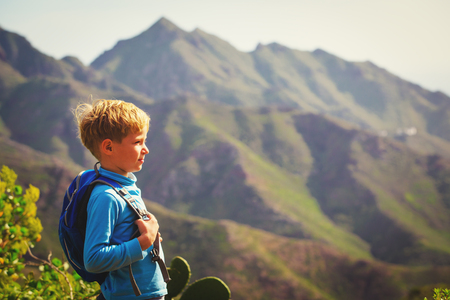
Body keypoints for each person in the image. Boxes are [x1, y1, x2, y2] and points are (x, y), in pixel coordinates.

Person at [74, 99, 167, 300]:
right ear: (108, 147)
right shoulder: (106, 197)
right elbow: (94, 259)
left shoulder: (124, 185)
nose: (146, 149)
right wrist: (144, 242)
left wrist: (148, 240)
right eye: (137, 142)